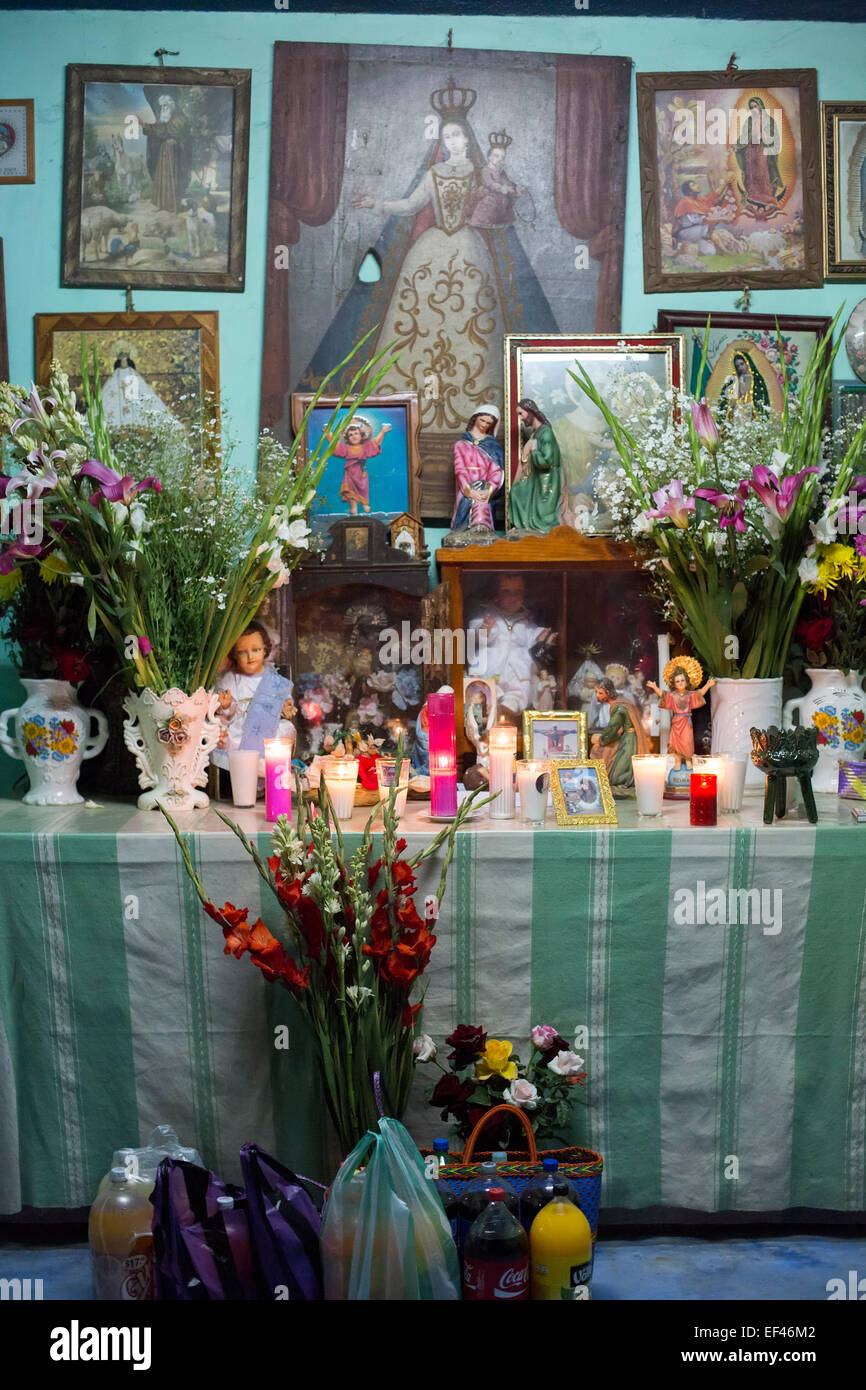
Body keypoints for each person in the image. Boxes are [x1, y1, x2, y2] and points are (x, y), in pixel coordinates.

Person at [467, 573, 556, 721]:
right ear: (497, 593)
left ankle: (510, 706)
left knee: (522, 690)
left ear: (524, 594)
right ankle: (492, 707)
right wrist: (484, 630)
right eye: (506, 592)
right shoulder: (488, 615)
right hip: (493, 667)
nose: (512, 597)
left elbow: (532, 634)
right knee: (489, 689)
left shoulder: (525, 619)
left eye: (518, 592)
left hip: (518, 669)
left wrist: (541, 638)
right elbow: (474, 632)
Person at [211, 622, 295, 774]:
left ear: (265, 649)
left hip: (268, 725)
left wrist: (286, 706)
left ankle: (269, 769)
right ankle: (252, 771)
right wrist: (226, 705)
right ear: (235, 654)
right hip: (242, 726)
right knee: (230, 735)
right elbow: (228, 712)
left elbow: (284, 698)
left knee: (286, 729)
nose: (250, 657)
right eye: (243, 652)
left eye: (255, 650)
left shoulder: (273, 678)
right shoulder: (232, 678)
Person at [647, 663, 716, 772]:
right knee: (676, 745)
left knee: (687, 743)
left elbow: (699, 694)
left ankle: (689, 764)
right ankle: (677, 764)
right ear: (674, 683)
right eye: (677, 681)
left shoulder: (690, 695)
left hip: (686, 723)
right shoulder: (672, 695)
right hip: (676, 723)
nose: (680, 683)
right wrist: (655, 687)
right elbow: (663, 695)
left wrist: (708, 685)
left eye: (682, 680)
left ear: (687, 681)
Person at [590, 677, 651, 795]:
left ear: (608, 693)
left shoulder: (619, 708)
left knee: (621, 768)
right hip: (627, 736)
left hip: (629, 740)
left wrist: (600, 740)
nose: (597, 696)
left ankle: (624, 785)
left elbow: (612, 730)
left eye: (600, 693)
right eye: (596, 692)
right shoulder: (620, 701)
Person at [509, 399, 562, 533]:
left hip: (547, 480)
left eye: (521, 414)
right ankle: (523, 526)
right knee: (516, 491)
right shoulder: (536, 432)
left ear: (531, 412)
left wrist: (533, 450)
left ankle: (533, 526)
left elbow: (546, 461)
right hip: (537, 477)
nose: (520, 418)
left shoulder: (546, 433)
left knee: (519, 493)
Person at [450, 405, 504, 533]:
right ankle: (463, 529)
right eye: (482, 420)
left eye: (489, 423)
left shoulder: (493, 446)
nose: (484, 425)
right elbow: (460, 470)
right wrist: (469, 490)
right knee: (468, 504)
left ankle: (482, 528)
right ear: (475, 419)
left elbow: (496, 471)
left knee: (482, 504)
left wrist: (488, 490)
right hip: (466, 488)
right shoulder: (461, 445)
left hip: (485, 489)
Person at [325, 417, 391, 515]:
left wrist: (383, 431)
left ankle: (364, 504)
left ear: (361, 435)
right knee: (350, 491)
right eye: (350, 435)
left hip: (361, 473)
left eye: (356, 433)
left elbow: (376, 442)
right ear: (347, 438)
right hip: (350, 474)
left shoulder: (365, 447)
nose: (354, 436)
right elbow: (335, 443)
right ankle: (353, 507)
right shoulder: (346, 448)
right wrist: (328, 433)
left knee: (363, 489)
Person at [733, 97, 785, 219]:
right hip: (750, 150)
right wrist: (736, 145)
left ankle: (766, 196)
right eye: (751, 107)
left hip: (763, 149)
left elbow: (775, 137)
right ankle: (753, 195)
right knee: (752, 173)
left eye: (755, 106)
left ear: (760, 106)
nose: (753, 109)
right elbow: (744, 136)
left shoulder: (769, 121)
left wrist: (765, 137)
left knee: (763, 171)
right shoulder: (749, 121)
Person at [141, 91, 190, 215]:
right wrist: (145, 126)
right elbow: (159, 129)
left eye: (165, 106)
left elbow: (164, 131)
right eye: (162, 106)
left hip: (175, 154)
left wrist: (146, 126)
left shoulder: (180, 119)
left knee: (172, 178)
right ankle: (161, 204)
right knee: (161, 178)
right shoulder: (163, 120)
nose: (163, 109)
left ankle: (174, 207)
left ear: (171, 107)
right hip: (164, 151)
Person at [466, 131, 526, 228]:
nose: (499, 159)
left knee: (504, 206)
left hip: (501, 201)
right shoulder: (486, 170)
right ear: (489, 156)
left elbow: (507, 182)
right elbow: (491, 184)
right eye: (496, 156)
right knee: (488, 207)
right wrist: (504, 188)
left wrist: (516, 188)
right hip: (489, 199)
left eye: (502, 157)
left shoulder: (501, 172)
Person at [672, 176, 736, 256]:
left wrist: (724, 184)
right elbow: (704, 221)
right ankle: (725, 251)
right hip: (685, 233)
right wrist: (724, 218)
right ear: (689, 191)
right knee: (707, 225)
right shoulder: (686, 202)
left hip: (695, 233)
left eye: (695, 184)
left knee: (711, 252)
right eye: (693, 185)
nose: (697, 185)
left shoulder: (699, 199)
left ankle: (692, 247)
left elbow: (713, 195)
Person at [718, 349, 770, 422]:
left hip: (752, 412)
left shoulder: (756, 379)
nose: (740, 368)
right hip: (738, 411)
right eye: (737, 366)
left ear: (747, 362)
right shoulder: (735, 380)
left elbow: (761, 397)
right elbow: (729, 397)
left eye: (742, 364)